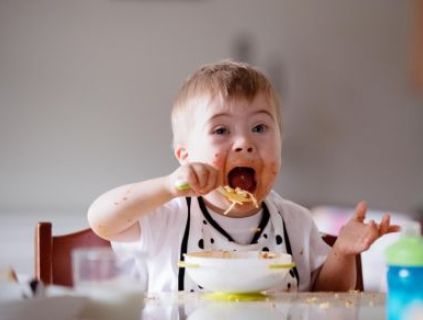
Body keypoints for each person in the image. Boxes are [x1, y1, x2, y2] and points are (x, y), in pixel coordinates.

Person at [88, 60, 400, 293]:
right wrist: (168, 186)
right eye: (221, 130)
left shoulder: (296, 223)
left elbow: (326, 300)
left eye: (260, 128)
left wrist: (342, 251)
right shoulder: (168, 217)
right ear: (185, 155)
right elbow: (102, 220)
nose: (244, 142)